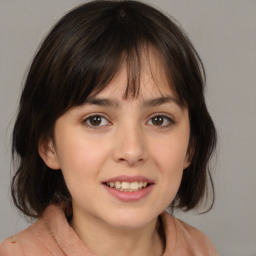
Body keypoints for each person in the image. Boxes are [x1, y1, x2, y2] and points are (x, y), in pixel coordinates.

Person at [0, 0, 218, 255]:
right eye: (96, 120)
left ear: (191, 146)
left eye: (158, 119)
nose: (132, 150)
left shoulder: (200, 249)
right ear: (49, 145)